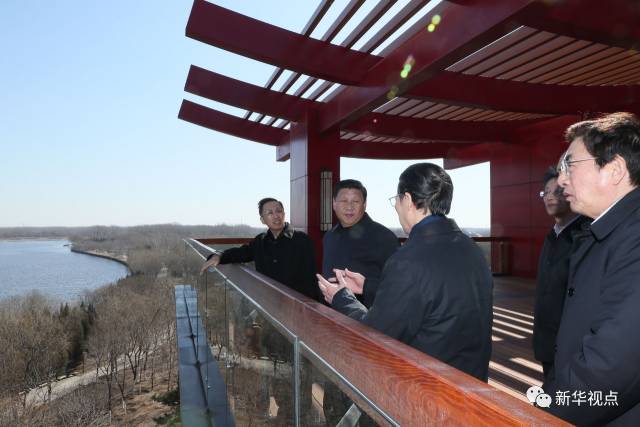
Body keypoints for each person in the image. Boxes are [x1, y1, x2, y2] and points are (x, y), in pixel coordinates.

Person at [318, 163, 493, 382]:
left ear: (407, 200)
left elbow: (376, 333)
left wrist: (341, 298)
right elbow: (429, 297)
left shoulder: (408, 259)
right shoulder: (471, 249)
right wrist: (367, 286)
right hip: (471, 381)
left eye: (397, 200)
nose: (397, 207)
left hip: (428, 386)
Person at [542, 112, 640, 426]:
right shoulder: (603, 231)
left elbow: (613, 365)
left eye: (570, 165)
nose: (561, 180)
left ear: (615, 170)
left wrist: (543, 415)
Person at [200, 197, 319, 301]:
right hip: (268, 302)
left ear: (284, 214)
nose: (276, 216)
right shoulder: (260, 241)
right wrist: (219, 255)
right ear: (262, 220)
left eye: (279, 211)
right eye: (270, 213)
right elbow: (240, 253)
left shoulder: (302, 240)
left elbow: (311, 280)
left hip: (296, 305)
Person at [533, 167, 590, 379]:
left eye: (557, 191)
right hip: (548, 341)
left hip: (572, 346)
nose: (549, 197)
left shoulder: (585, 237)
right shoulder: (552, 236)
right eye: (546, 192)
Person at [322, 179, 399, 308]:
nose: (349, 207)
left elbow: (398, 288)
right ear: (334, 204)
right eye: (344, 201)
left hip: (368, 317)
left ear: (364, 204)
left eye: (355, 201)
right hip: (329, 313)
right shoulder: (329, 236)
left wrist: (366, 287)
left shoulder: (384, 238)